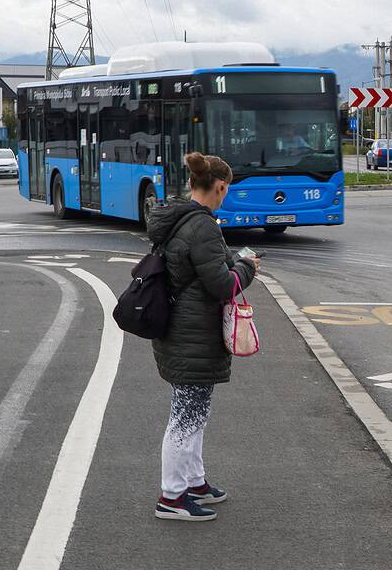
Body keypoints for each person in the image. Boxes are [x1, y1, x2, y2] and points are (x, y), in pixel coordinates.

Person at [147, 152, 260, 522]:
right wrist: (247, 267)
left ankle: (194, 482)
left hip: (181, 331)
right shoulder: (203, 226)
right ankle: (172, 496)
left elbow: (205, 265)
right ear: (220, 185)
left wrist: (231, 260)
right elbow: (223, 285)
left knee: (194, 412)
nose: (226, 195)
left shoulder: (183, 217)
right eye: (227, 190)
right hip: (191, 335)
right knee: (185, 417)